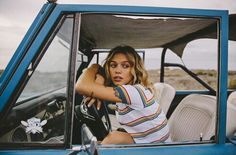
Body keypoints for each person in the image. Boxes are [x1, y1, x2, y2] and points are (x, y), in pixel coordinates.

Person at [76, 45, 171, 144]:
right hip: (146, 140)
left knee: (114, 137)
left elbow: (81, 86)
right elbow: (89, 84)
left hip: (157, 148)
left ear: (135, 69)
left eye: (125, 66)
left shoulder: (131, 92)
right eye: (113, 65)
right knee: (106, 140)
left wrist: (93, 66)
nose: (118, 71)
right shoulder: (130, 88)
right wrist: (100, 78)